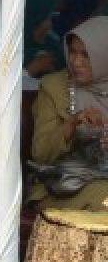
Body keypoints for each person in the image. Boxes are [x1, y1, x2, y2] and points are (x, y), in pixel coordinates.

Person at [30, 16, 108, 210]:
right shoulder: (54, 88)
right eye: (72, 52)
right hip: (62, 187)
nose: (75, 62)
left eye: (86, 55)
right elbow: (40, 154)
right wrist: (72, 125)